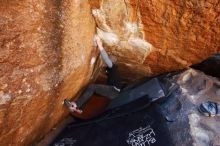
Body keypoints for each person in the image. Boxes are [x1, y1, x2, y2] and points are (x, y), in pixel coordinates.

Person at [64, 36, 122, 114]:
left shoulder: (113, 67)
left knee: (92, 87)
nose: (105, 63)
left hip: (113, 91)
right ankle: (79, 109)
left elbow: (106, 59)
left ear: (112, 62)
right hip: (114, 92)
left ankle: (76, 105)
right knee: (92, 91)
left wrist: (100, 45)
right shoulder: (113, 71)